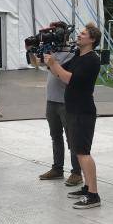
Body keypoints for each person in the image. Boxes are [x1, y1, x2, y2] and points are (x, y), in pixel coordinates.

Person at [44, 23, 102, 209]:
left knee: (83, 153)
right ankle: (87, 187)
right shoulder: (78, 55)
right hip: (73, 109)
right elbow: (60, 73)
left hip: (83, 111)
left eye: (83, 34)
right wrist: (49, 61)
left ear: (92, 39)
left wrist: (54, 64)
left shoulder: (92, 60)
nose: (79, 35)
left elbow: (70, 79)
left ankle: (93, 195)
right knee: (78, 151)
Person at [29, 22, 82, 187]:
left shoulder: (73, 53)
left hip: (67, 102)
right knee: (55, 136)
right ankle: (57, 168)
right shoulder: (52, 51)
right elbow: (35, 64)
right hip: (51, 100)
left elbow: (65, 76)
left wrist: (52, 62)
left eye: (54, 32)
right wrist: (30, 49)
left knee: (72, 139)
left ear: (63, 34)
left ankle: (76, 173)